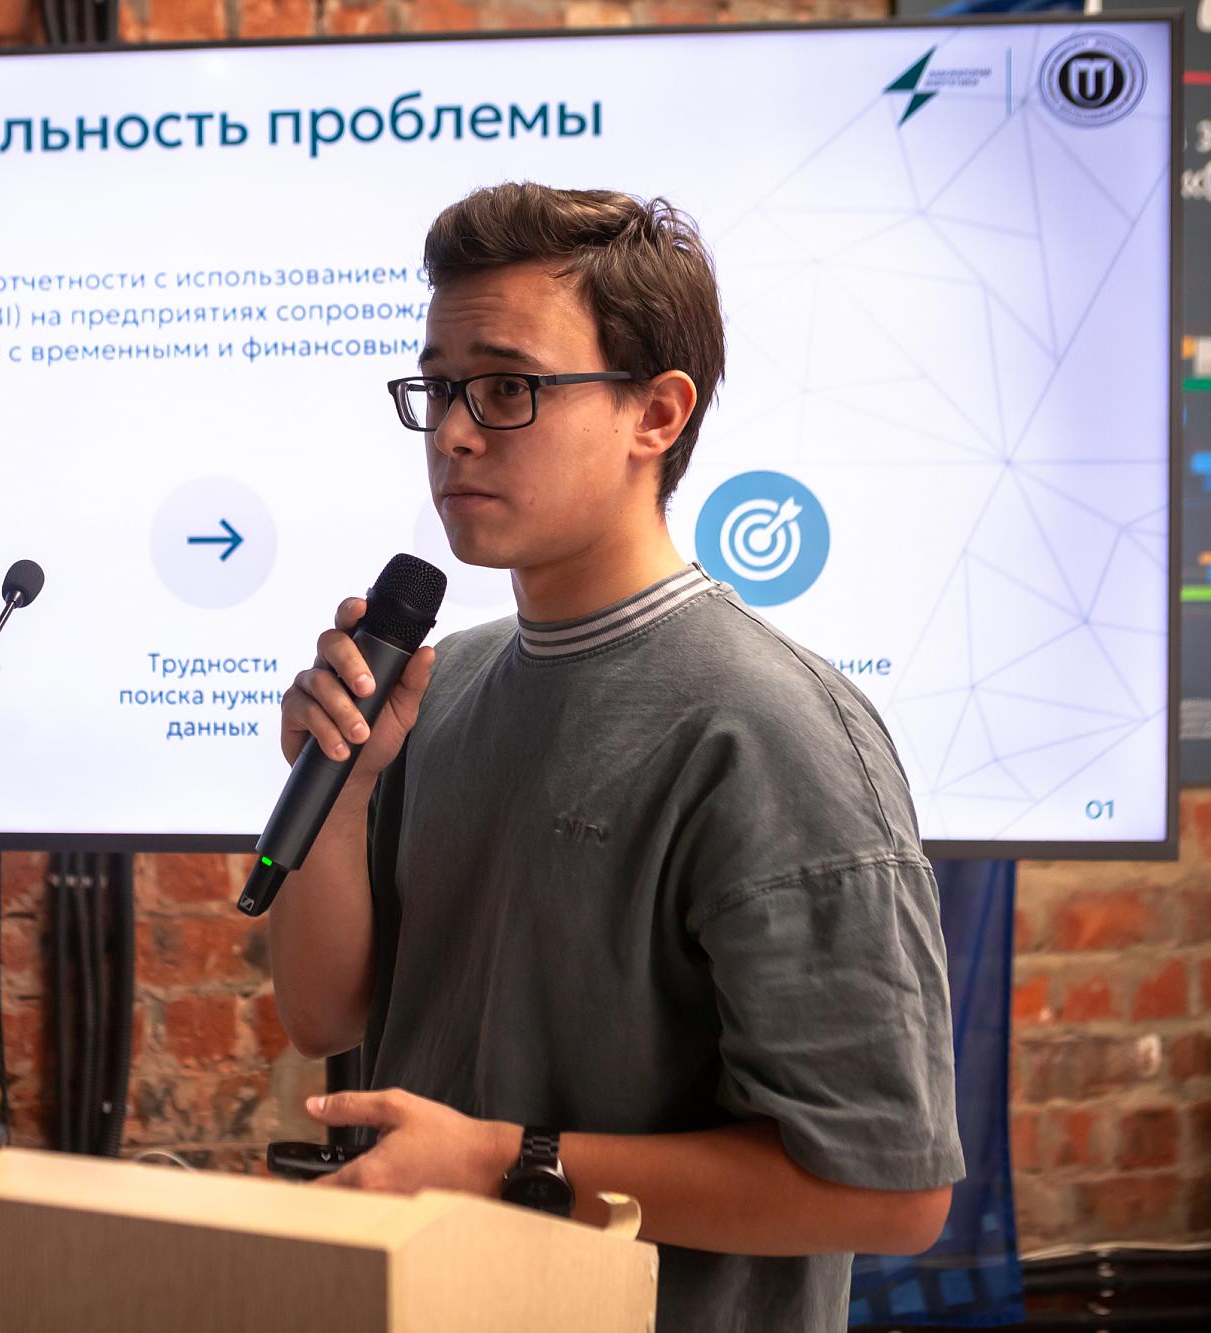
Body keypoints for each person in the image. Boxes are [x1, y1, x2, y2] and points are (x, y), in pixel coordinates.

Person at [266, 183, 964, 1331]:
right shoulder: (439, 690)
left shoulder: (769, 731)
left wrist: (502, 1161)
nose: (451, 433)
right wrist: (345, 788)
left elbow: (888, 1193)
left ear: (656, 414)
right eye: (437, 387)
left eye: (507, 388)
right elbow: (320, 1010)